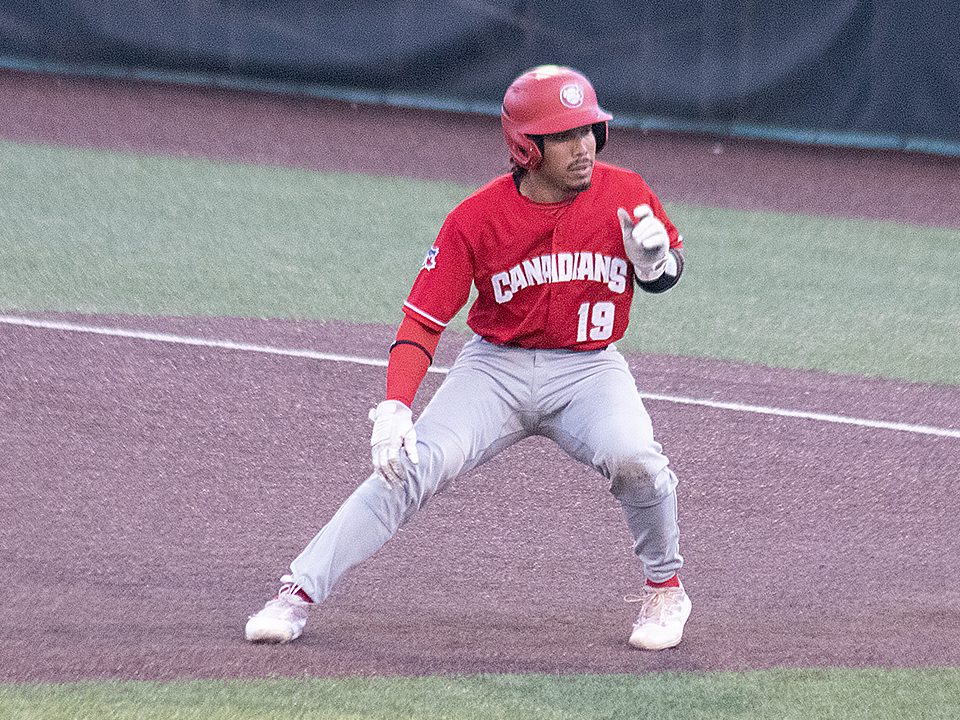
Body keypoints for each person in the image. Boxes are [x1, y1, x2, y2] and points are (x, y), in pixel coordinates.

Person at [245, 65, 691, 651]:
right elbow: (423, 321)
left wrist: (656, 266)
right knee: (405, 467)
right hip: (495, 370)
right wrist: (396, 407)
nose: (585, 146)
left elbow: (669, 273)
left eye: (590, 130)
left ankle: (666, 588)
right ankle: (297, 594)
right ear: (525, 146)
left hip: (590, 369)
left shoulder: (626, 193)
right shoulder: (476, 217)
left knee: (637, 460)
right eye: (565, 135)